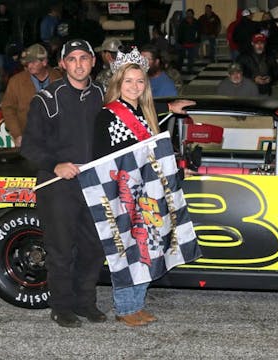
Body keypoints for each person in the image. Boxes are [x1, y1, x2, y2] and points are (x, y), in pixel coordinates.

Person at [92, 48, 194, 327]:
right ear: (117, 84)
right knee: (127, 250)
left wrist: (169, 109)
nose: (134, 86)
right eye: (128, 82)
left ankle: (136, 304)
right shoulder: (107, 116)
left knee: (148, 247)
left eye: (139, 81)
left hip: (146, 193)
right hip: (122, 194)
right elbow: (101, 161)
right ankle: (125, 307)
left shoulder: (146, 113)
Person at [20, 39, 107, 328]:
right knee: (61, 249)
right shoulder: (46, 98)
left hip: (93, 184)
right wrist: (55, 165)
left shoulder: (103, 96)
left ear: (94, 62)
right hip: (57, 184)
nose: (79, 64)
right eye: (72, 59)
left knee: (92, 247)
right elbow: (29, 146)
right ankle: (61, 307)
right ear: (63, 64)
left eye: (84, 57)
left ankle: (85, 303)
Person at [1, 43, 62, 146]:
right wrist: (17, 134)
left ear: (44, 62)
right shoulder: (16, 82)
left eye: (33, 62)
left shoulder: (59, 79)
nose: (29, 66)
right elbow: (8, 109)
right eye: (28, 62)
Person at [177, 8, 200, 73]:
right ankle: (179, 69)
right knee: (181, 56)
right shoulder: (183, 22)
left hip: (192, 43)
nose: (189, 15)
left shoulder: (196, 22)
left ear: (193, 14)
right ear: (186, 14)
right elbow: (180, 32)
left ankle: (190, 69)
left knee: (191, 58)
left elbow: (198, 32)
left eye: (190, 14)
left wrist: (198, 40)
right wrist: (180, 41)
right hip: (184, 43)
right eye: (188, 14)